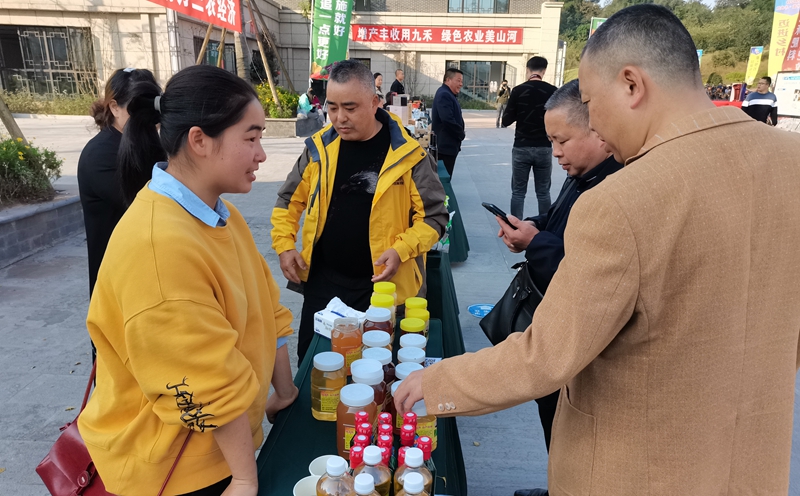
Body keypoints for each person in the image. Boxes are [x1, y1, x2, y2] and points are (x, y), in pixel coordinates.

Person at [395, 5, 800, 494]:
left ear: (631, 84)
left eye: (590, 100)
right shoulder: (791, 162)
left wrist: (435, 384)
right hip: (753, 465)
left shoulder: (622, 199)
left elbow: (547, 354)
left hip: (636, 470)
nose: (596, 125)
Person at [78, 65, 298, 496]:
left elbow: (268, 310)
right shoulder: (159, 248)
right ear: (199, 140)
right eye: (250, 138)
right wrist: (245, 478)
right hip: (172, 470)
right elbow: (203, 381)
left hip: (220, 449)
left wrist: (284, 392)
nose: (261, 154)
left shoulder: (219, 213)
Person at [271, 59, 448, 364]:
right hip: (324, 286)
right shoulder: (318, 149)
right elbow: (289, 202)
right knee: (316, 367)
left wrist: (401, 250)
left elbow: (435, 219)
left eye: (350, 108)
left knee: (376, 372)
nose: (340, 118)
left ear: (375, 102)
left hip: (383, 290)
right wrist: (285, 246)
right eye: (333, 107)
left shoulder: (409, 155)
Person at [496, 79, 622, 496]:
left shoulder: (617, 189)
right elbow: (558, 219)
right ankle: (557, 485)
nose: (555, 152)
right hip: (557, 324)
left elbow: (581, 270)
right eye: (551, 140)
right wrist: (533, 226)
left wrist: (535, 243)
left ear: (600, 133)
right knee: (552, 417)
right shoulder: (583, 173)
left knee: (572, 427)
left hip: (581, 339)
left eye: (562, 140)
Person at [78, 68, 159, 296]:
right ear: (114, 107)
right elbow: (150, 208)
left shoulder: (147, 144)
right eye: (137, 108)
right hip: (119, 279)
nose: (146, 115)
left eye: (150, 106)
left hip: (148, 270)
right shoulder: (99, 155)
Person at [502, 56, 557, 219]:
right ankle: (545, 227)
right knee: (543, 192)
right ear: (544, 71)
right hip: (544, 148)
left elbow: (506, 121)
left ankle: (515, 227)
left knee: (518, 192)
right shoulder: (552, 91)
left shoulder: (518, 91)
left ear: (528, 70)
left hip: (521, 147)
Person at [431, 68, 465, 177]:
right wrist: (460, 134)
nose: (461, 84)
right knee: (444, 180)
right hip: (445, 147)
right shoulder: (444, 94)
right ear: (448, 80)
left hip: (448, 145)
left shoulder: (448, 93)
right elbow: (447, 119)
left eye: (461, 81)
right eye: (458, 80)